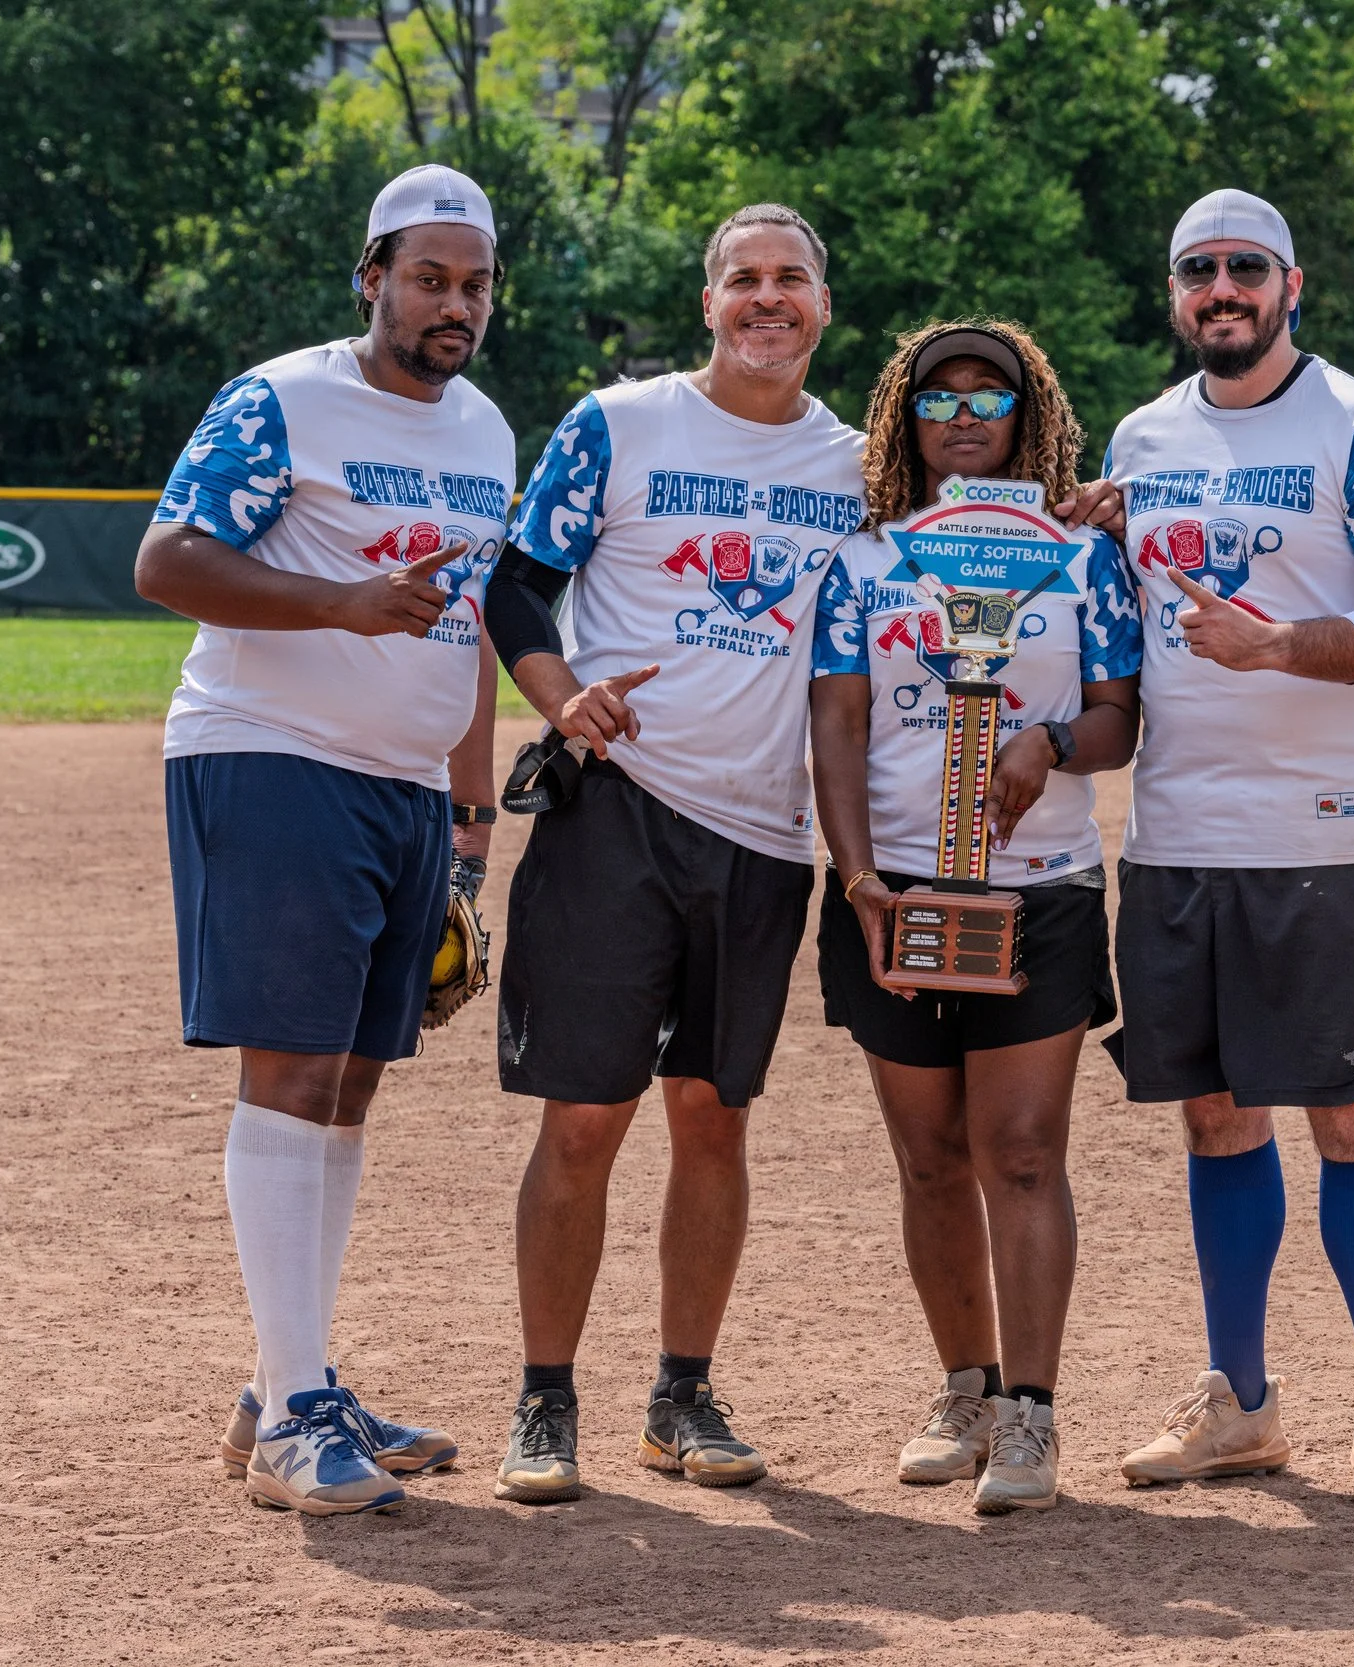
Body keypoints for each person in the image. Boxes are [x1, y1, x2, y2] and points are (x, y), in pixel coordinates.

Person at [134, 164, 513, 1516]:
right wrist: (341, 604)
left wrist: (471, 823)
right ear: (373, 277)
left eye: (473, 282)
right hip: (270, 754)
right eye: (428, 275)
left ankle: (287, 1377)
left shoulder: (487, 431)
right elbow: (167, 561)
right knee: (289, 1070)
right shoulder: (280, 397)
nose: (452, 302)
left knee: (350, 1082)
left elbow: (465, 629)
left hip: (405, 789)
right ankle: (298, 1415)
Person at [480, 204, 865, 1505]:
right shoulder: (620, 421)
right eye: (743, 279)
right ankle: (544, 1399)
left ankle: (683, 1391)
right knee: (586, 1117)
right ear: (710, 302)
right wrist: (561, 694)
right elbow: (517, 582)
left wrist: (1086, 505)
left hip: (762, 836)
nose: (767, 298)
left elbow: (964, 556)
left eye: (790, 278)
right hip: (619, 811)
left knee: (713, 1115)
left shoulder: (858, 463)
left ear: (822, 301)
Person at [1101, 189, 1354, 1504]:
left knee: (1353, 1116)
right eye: (1200, 269)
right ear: (1178, 292)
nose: (1223, 288)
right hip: (1180, 833)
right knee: (1212, 1112)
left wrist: (1279, 645)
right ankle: (1240, 1402)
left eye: (1246, 267)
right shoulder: (1141, 438)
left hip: (1330, 836)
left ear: (1290, 284)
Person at [808, 320, 1141, 1514]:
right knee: (929, 1155)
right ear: (905, 419)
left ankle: (1031, 1414)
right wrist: (857, 879)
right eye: (936, 396)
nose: (960, 412)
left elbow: (1119, 718)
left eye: (986, 394)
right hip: (893, 882)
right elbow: (837, 727)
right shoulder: (865, 561)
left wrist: (1046, 741)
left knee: (1020, 1151)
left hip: (1037, 882)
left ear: (1026, 416)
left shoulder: (1081, 559)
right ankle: (964, 1384)